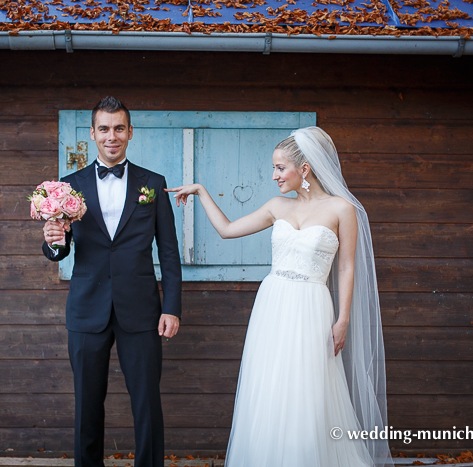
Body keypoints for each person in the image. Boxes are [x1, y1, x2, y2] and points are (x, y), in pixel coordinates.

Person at [166, 127, 393, 467]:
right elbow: (227, 230)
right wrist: (200, 190)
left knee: (309, 390)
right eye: (274, 168)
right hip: (273, 304)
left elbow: (346, 268)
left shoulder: (341, 209)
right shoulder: (276, 206)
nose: (274, 176)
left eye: (280, 168)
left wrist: (342, 319)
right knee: (270, 386)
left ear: (305, 169)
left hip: (313, 306)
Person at [42, 96, 182, 467]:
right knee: (87, 404)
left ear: (130, 132)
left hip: (141, 310)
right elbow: (62, 248)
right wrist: (53, 241)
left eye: (119, 128)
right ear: (92, 133)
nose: (111, 136)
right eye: (104, 128)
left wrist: (171, 308)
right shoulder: (68, 187)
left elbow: (168, 252)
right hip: (88, 309)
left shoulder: (153, 184)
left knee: (147, 402)